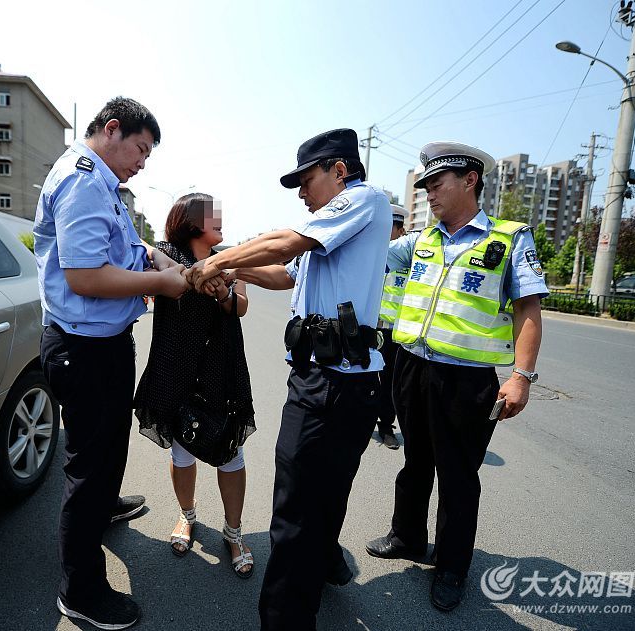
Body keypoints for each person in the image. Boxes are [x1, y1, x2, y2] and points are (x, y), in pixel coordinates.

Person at [186, 128, 392, 631]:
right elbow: (287, 271)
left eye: (307, 179)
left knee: (294, 511)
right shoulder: (333, 225)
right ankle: (323, 564)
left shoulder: (363, 200)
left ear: (339, 170)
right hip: (335, 381)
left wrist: (215, 261)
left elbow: (286, 241)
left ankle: (285, 620)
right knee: (325, 492)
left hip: (334, 383)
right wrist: (238, 273)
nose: (302, 192)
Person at [365, 142, 548, 612]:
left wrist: (521, 376)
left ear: (470, 180)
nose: (429, 194)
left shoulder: (508, 239)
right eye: (424, 186)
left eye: (437, 184)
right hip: (412, 368)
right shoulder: (421, 241)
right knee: (415, 462)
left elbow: (528, 308)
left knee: (459, 476)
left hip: (467, 381)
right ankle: (407, 537)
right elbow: (372, 258)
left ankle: (450, 567)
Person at [34, 97, 189, 630]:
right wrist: (161, 283)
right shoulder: (82, 180)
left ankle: (103, 506)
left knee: (106, 449)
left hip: (103, 343)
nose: (143, 162)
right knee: (88, 467)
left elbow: (121, 244)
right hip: (84, 349)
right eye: (141, 149)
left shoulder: (103, 184)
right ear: (113, 129)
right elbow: (85, 276)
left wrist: (152, 255)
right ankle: (80, 591)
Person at [133, 192, 257, 579]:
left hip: (221, 367)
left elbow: (240, 307)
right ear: (189, 220)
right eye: (211, 214)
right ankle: (187, 516)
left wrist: (222, 289)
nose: (220, 219)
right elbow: (143, 257)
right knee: (182, 452)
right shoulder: (164, 252)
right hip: (175, 366)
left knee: (229, 451)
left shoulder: (229, 257)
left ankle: (233, 533)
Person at [374, 204, 411, 450]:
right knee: (364, 378)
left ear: (399, 230)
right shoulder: (374, 256)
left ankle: (386, 426)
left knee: (391, 384)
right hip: (374, 329)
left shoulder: (412, 258)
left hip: (400, 333)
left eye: (390, 228)